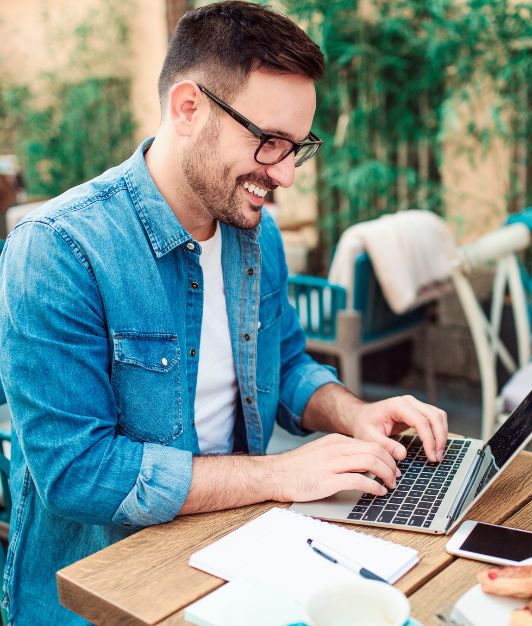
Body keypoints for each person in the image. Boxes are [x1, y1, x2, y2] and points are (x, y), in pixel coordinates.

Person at [0, 2, 448, 624]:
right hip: (107, 592)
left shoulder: (254, 233)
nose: (287, 175)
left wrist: (356, 414)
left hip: (248, 556)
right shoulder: (57, 249)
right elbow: (77, 472)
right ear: (189, 109)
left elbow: (285, 362)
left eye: (298, 148)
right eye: (269, 143)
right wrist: (280, 474)